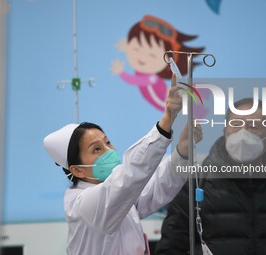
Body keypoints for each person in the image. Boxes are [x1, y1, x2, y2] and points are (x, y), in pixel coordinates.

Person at [43, 75, 203, 255]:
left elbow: (156, 186)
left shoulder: (117, 196)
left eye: (107, 142)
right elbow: (129, 176)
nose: (109, 151)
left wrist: (182, 152)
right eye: (96, 149)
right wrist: (166, 122)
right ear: (77, 169)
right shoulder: (83, 204)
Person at [156, 97, 266, 255]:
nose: (242, 133)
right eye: (236, 124)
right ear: (225, 132)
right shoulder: (196, 185)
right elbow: (170, 249)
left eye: (253, 126)